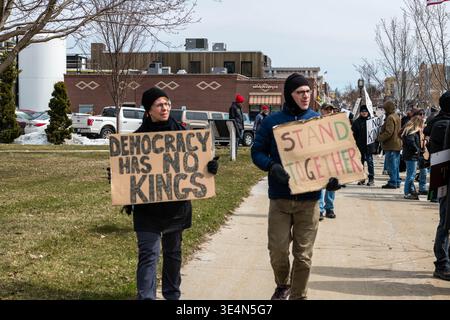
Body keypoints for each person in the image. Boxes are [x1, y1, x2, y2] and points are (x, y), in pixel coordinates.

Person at [112, 87, 219, 300]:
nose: (165, 108)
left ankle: (172, 294)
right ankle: (146, 296)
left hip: (176, 209)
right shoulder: (135, 142)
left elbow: (197, 164)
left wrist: (210, 168)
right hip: (147, 211)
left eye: (167, 104)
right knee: (148, 255)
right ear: (148, 110)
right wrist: (118, 176)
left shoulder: (185, 136)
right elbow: (127, 170)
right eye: (160, 104)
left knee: (172, 255)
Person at [251, 73, 340, 300]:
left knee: (303, 256)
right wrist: (271, 166)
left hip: (309, 200)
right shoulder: (272, 122)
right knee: (278, 250)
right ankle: (283, 284)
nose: (305, 96)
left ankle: (298, 296)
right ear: (289, 95)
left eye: (308, 92)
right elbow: (256, 151)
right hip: (280, 198)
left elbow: (330, 157)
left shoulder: (318, 122)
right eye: (300, 92)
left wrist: (332, 178)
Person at [427, 91, 450, 280]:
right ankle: (442, 263)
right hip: (445, 179)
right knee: (445, 222)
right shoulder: (443, 125)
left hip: (443, 177)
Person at [378, 100, 402, 189]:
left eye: (385, 108)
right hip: (397, 144)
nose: (384, 110)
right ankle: (396, 181)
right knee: (395, 165)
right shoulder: (396, 116)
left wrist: (379, 138)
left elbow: (389, 132)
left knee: (391, 165)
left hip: (391, 145)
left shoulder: (390, 118)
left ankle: (392, 182)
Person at [319, 103, 337, 219]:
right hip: (320, 157)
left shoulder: (337, 123)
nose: (329, 111)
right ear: (322, 111)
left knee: (331, 184)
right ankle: (319, 209)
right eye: (327, 109)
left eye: (331, 109)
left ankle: (329, 208)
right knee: (320, 183)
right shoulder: (316, 122)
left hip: (333, 157)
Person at [351, 104, 375, 186]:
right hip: (360, 145)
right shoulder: (356, 122)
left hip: (369, 145)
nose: (364, 113)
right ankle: (362, 178)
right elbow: (353, 134)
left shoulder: (372, 121)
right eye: (362, 111)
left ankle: (371, 178)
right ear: (360, 112)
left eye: (365, 111)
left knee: (370, 161)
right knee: (360, 163)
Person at [401, 116, 423, 200]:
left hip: (410, 155)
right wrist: (417, 150)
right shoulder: (411, 131)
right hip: (411, 156)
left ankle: (411, 191)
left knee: (411, 175)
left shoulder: (409, 131)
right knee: (410, 175)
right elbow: (411, 142)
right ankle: (407, 192)